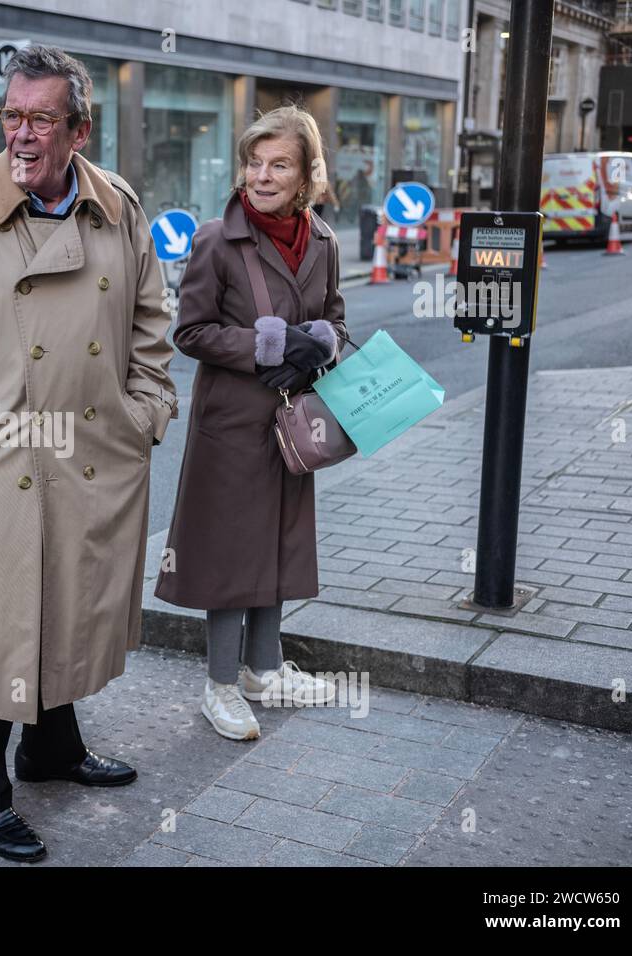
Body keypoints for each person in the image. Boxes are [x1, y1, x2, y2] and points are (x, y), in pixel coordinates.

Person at [0, 44, 177, 863]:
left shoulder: (117, 206)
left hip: (92, 450)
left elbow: (150, 327)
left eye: (40, 119)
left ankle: (51, 750)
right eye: (10, 116)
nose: (20, 135)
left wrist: (144, 414)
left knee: (65, 609)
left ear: (79, 129)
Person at [155, 106, 347, 742]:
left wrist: (323, 339)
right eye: (254, 162)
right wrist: (266, 344)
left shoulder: (324, 241)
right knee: (231, 550)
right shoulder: (216, 238)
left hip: (292, 424)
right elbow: (190, 332)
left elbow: (338, 319)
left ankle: (266, 671)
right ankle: (220, 686)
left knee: (280, 540)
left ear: (305, 176)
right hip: (231, 425)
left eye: (279, 164)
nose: (262, 176)